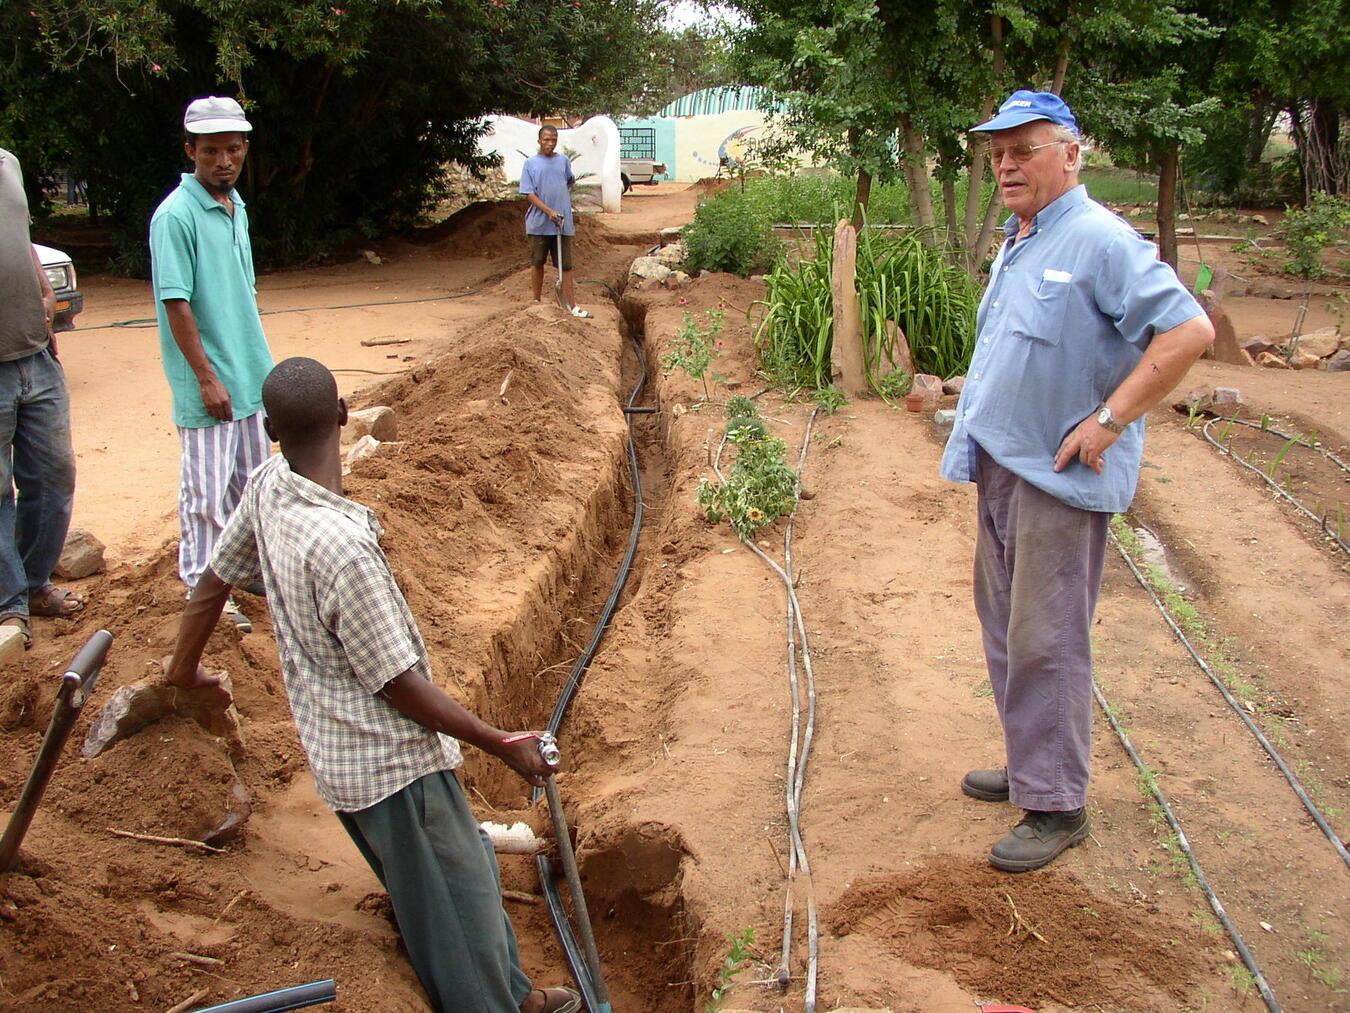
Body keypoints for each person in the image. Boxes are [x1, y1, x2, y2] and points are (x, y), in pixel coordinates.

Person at [162, 356, 582, 1013]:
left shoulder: (270, 485)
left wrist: (182, 670)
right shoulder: (342, 549)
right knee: (457, 913)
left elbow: (214, 577)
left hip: (341, 758)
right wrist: (502, 742)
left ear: (270, 430)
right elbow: (400, 687)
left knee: (461, 882)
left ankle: (518, 995)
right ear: (342, 415)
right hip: (393, 768)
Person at [939, 91, 1214, 872]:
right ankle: (1032, 763)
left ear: (1070, 154)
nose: (1006, 164)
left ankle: (1057, 803)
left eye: (1023, 149)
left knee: (1047, 638)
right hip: (1003, 465)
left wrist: (1110, 420)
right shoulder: (1023, 238)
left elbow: (1189, 329)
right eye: (998, 152)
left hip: (1056, 480)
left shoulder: (1098, 239)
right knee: (1006, 629)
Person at [150, 96, 275, 633]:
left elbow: (242, 293)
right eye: (211, 152)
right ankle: (204, 593)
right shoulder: (175, 216)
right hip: (210, 382)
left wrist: (259, 370)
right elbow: (176, 302)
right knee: (205, 494)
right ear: (190, 152)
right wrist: (206, 378)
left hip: (248, 375)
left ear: (244, 149)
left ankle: (246, 574)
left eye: (232, 150)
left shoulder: (235, 206)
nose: (223, 161)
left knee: (251, 487)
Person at [0, 147, 84, 648]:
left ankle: (32, 584)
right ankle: (8, 603)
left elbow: (18, 237)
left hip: (35, 354)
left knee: (54, 476)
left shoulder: (8, 164)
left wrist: (45, 293)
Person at [520, 125, 591, 319]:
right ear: (539, 141)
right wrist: (549, 211)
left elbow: (568, 182)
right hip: (539, 224)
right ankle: (536, 302)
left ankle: (571, 306)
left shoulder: (563, 161)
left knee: (565, 265)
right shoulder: (530, 164)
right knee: (537, 262)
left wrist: (560, 208)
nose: (550, 143)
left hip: (562, 224)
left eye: (553, 140)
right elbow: (529, 193)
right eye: (546, 140)